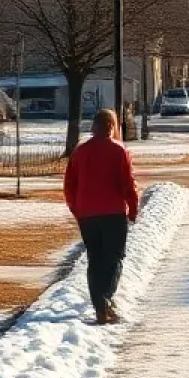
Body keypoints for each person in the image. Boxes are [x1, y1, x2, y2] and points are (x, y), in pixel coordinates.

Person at [62, 108, 139, 324]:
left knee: (95, 259)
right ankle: (105, 300)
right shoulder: (118, 151)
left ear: (93, 126)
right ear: (111, 126)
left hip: (87, 214)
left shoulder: (80, 151)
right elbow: (128, 183)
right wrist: (133, 208)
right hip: (113, 212)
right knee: (114, 258)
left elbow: (69, 184)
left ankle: (99, 304)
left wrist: (77, 209)